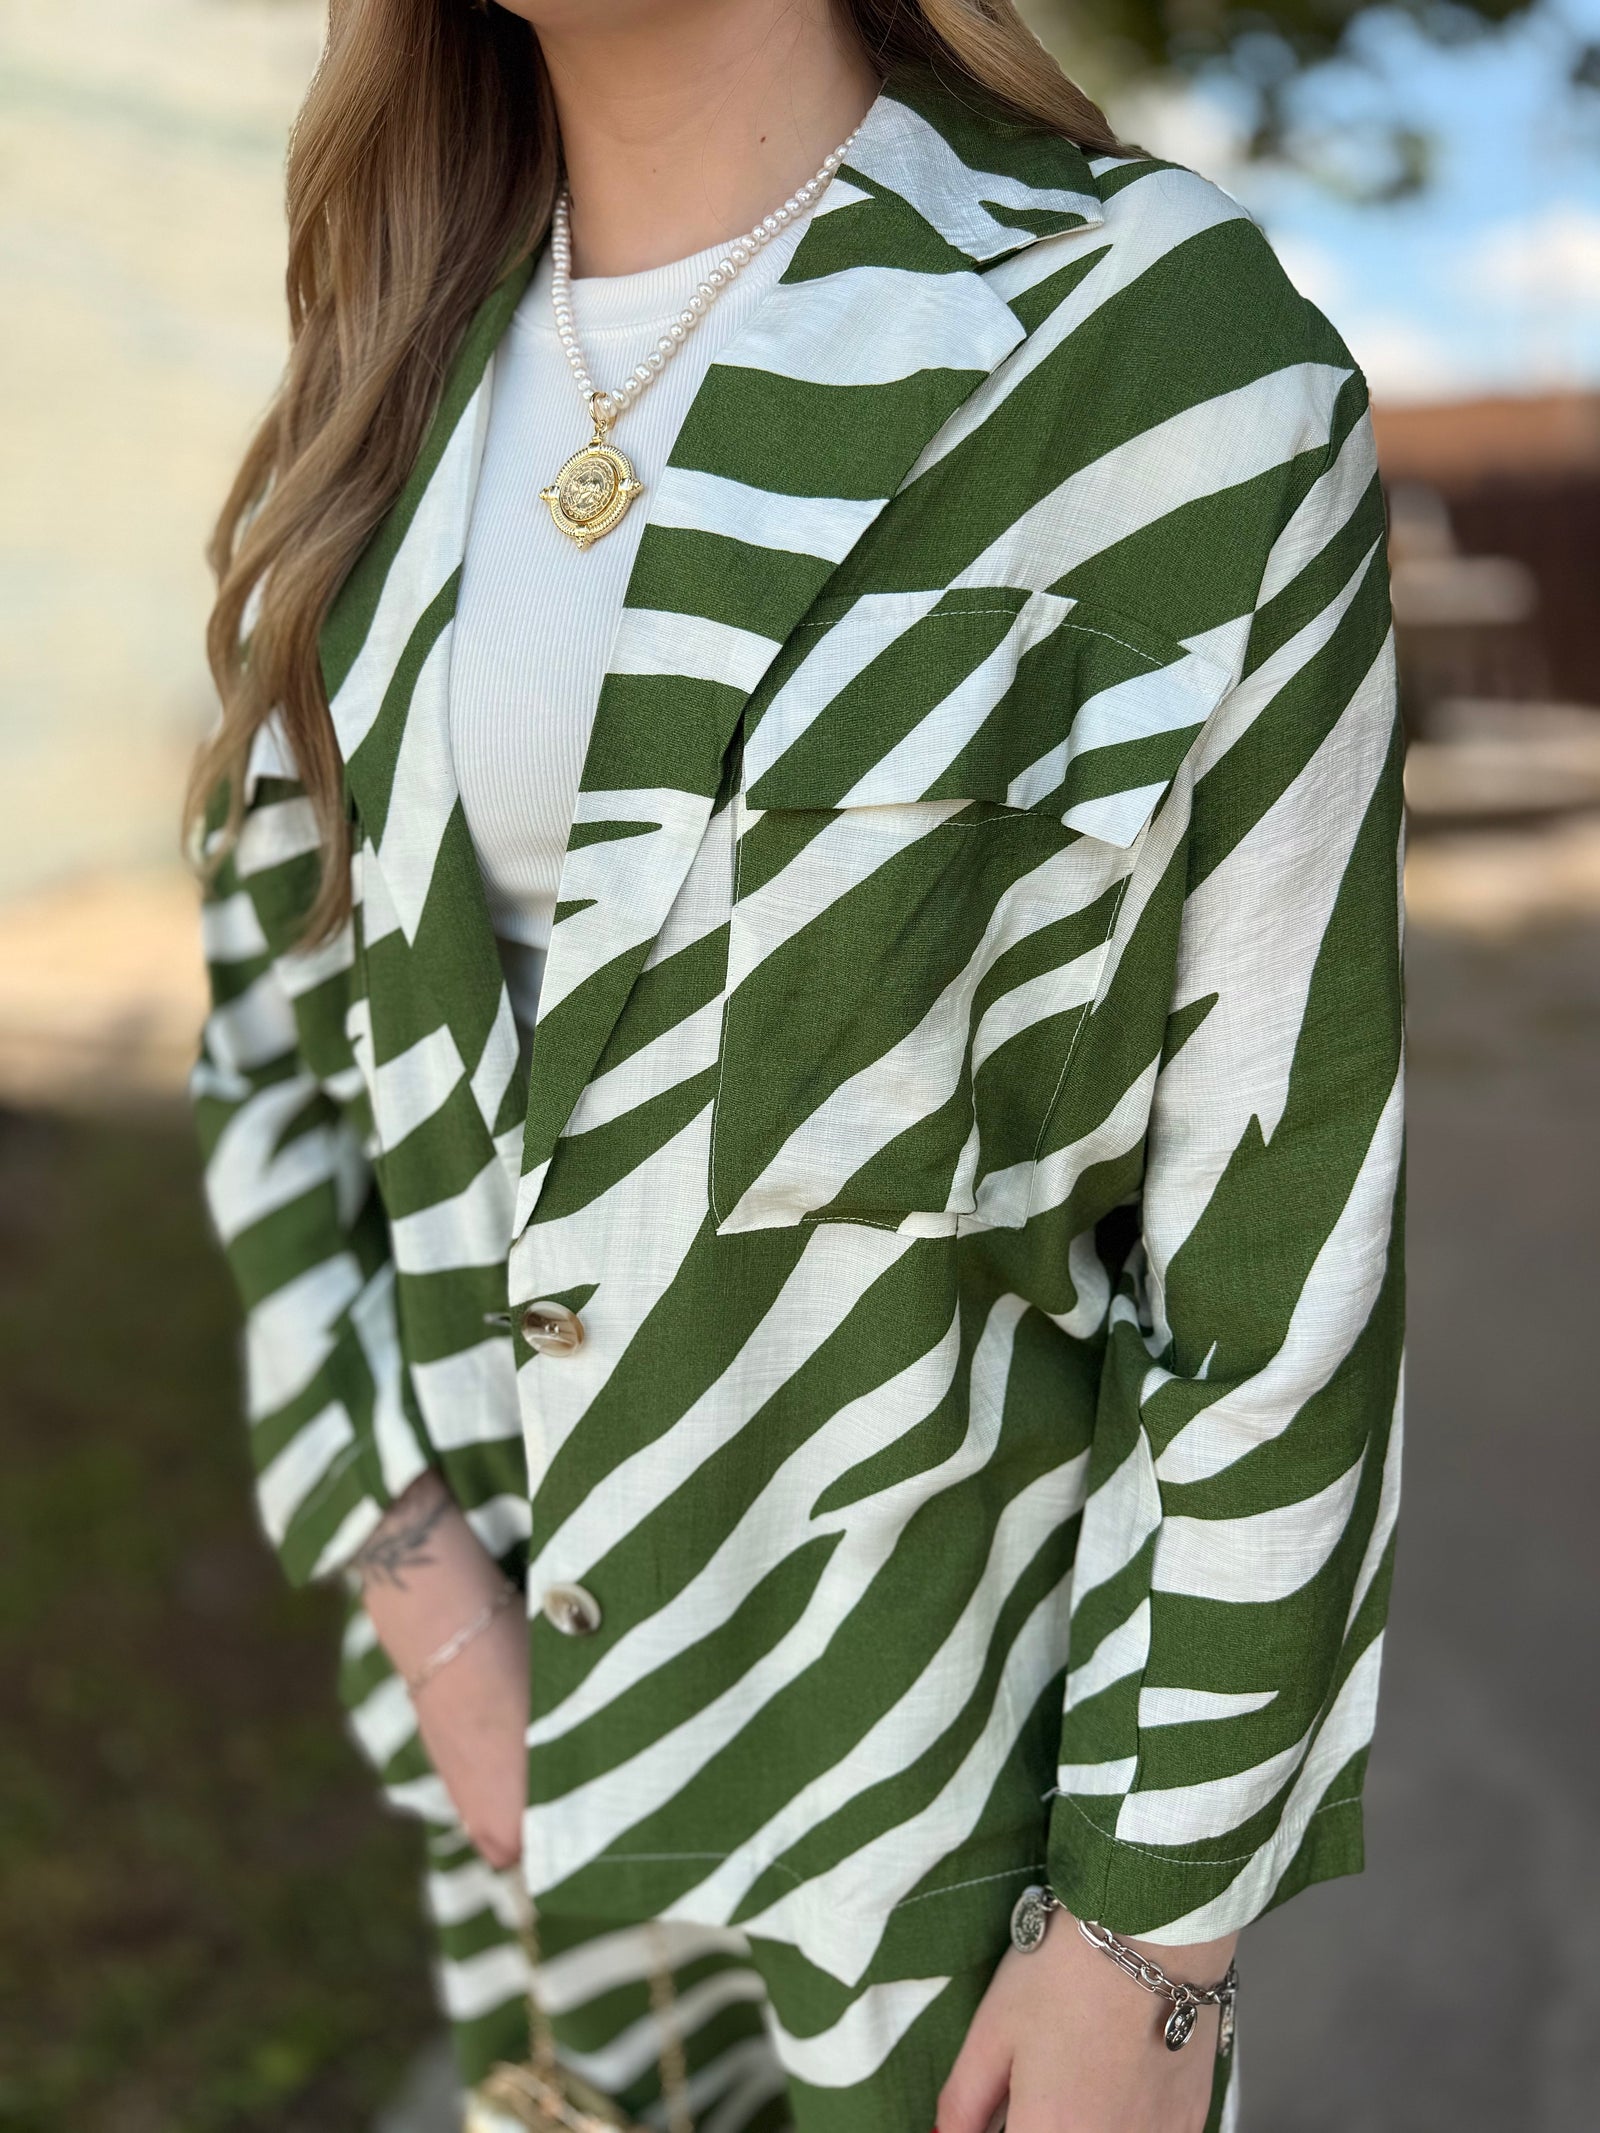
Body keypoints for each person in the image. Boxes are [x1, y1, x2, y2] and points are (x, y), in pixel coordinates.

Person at [187, 2, 1405, 2128]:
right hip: (544, 1846)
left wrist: (1152, 1944)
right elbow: (272, 1070)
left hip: (950, 1853)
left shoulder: (1151, 354)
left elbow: (1278, 1248)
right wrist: (421, 1606)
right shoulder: (381, 377)